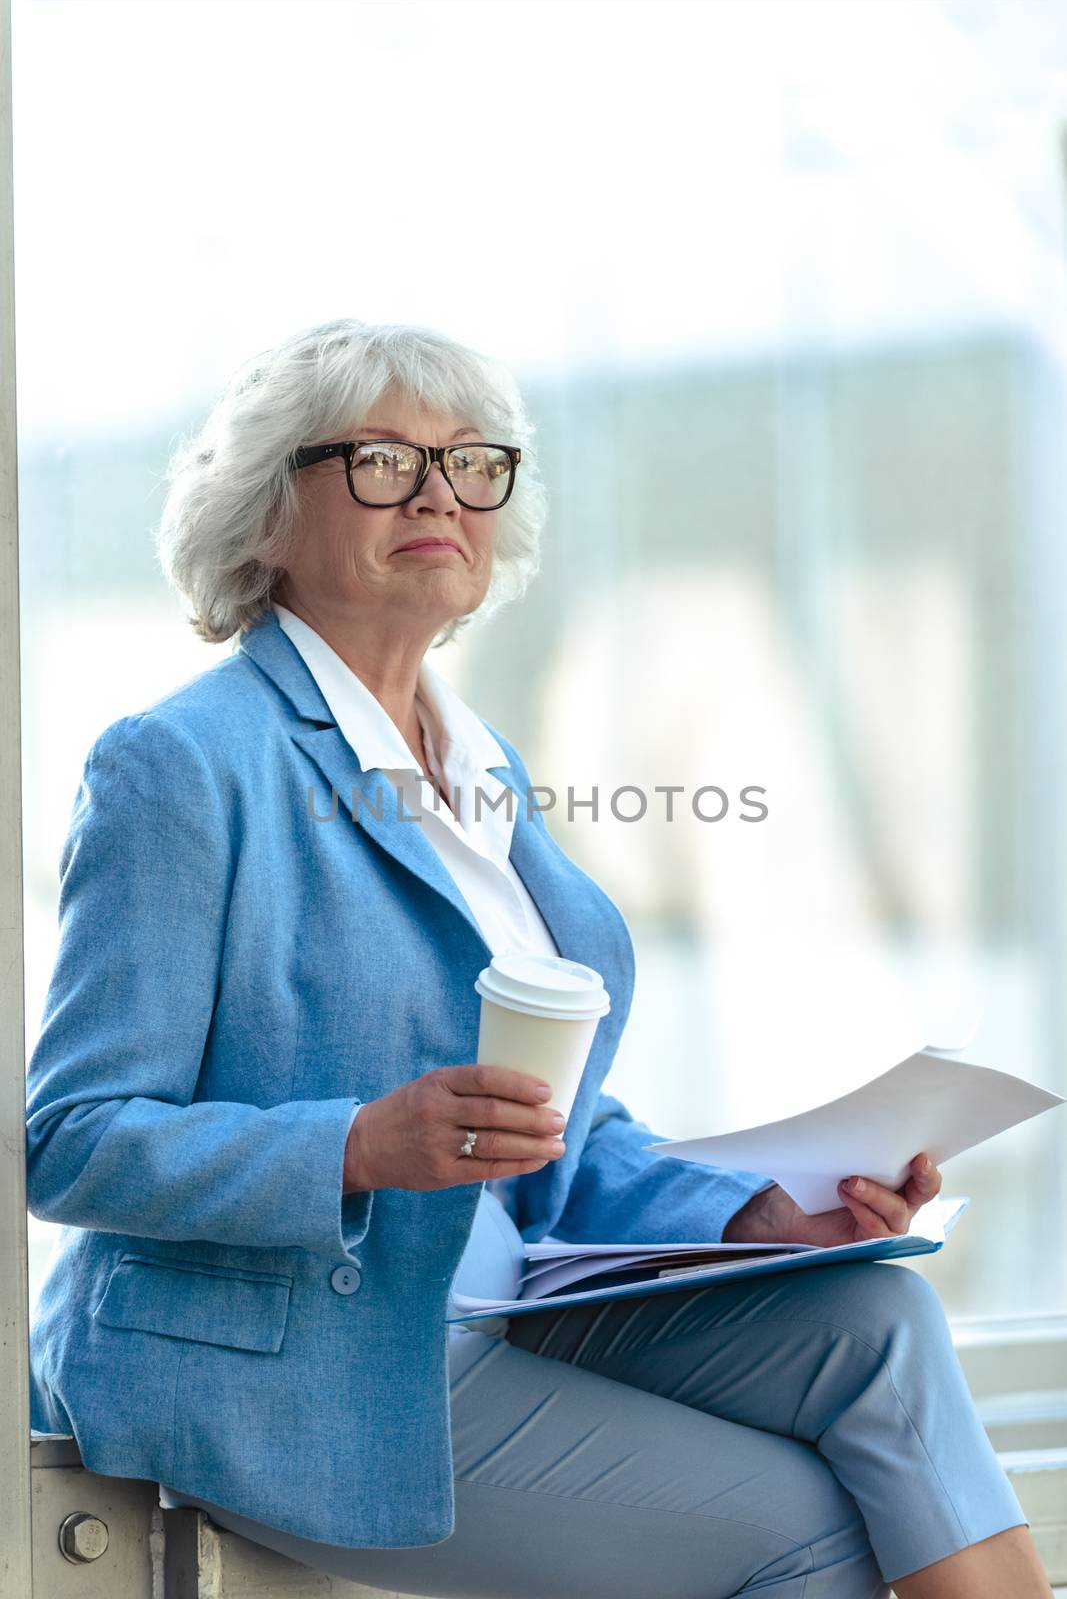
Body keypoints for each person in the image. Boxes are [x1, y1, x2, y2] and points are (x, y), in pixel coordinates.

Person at [25, 319, 1050, 1599]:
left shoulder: (479, 771)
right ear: (265, 515)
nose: (441, 494)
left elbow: (549, 1126)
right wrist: (357, 1143)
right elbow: (69, 1137)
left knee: (877, 1320)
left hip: (495, 1298)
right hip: (287, 1359)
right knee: (807, 1523)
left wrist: (756, 1219)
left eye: (470, 463)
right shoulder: (181, 765)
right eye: (386, 461)